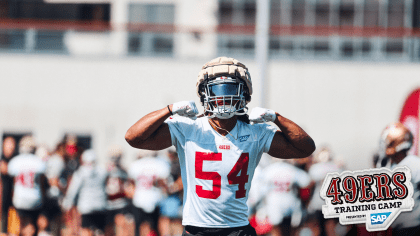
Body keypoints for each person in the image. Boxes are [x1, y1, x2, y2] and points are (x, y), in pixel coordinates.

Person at [125, 56, 316, 236]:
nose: (224, 98)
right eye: (217, 91)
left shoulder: (256, 132)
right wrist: (169, 109)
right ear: (204, 93)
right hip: (197, 229)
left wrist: (277, 117)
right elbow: (133, 137)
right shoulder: (188, 128)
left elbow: (306, 148)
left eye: (230, 90)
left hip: (238, 228)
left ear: (244, 94)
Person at [379, 122, 420, 236]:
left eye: (387, 142)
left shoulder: (415, 164)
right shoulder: (391, 166)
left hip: (413, 227)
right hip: (398, 228)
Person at [260, 159, 313, 236]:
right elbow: (306, 181)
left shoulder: (268, 170)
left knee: (276, 229)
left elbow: (261, 190)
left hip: (274, 201)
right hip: (289, 200)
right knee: (290, 229)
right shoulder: (291, 169)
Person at [62, 149, 108, 236]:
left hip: (86, 206)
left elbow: (73, 190)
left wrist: (67, 203)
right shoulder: (102, 171)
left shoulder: (81, 172)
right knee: (100, 231)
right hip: (101, 205)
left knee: (85, 230)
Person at [7, 136, 47, 236]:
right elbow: (42, 182)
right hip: (35, 198)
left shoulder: (15, 161)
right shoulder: (38, 162)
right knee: (32, 225)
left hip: (20, 198)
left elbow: (12, 181)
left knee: (21, 225)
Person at [127, 150, 170, 236]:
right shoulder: (160, 164)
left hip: (142, 198)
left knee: (139, 227)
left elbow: (131, 183)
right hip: (152, 198)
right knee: (154, 227)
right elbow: (163, 183)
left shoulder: (136, 165)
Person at [104, 145, 130, 236]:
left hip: (120, 202)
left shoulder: (123, 171)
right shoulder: (106, 170)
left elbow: (127, 185)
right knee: (108, 226)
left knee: (121, 224)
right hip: (108, 202)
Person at [1, 136, 17, 234]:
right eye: (8, 145)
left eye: (12, 145)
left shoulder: (16, 160)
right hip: (3, 198)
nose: (11, 147)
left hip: (14, 199)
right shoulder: (2, 160)